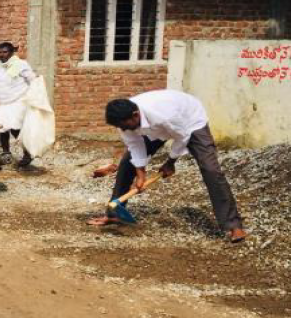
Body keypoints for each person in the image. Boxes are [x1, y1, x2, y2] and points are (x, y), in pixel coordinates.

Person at [89, 89, 247, 243]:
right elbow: (134, 144)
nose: (123, 130)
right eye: (121, 127)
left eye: (125, 126)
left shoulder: (163, 114)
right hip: (156, 128)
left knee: (211, 169)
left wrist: (170, 162)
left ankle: (233, 225)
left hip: (190, 122)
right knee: (127, 163)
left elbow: (182, 136)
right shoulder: (124, 121)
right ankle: (114, 213)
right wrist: (141, 173)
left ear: (135, 115)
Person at [0, 42, 35, 167]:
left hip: (19, 101)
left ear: (11, 52)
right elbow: (1, 85)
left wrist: (34, 95)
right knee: (1, 127)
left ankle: (28, 154)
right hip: (5, 103)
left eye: (5, 52)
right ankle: (6, 153)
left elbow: (32, 79)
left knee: (16, 129)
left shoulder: (20, 64)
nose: (1, 55)